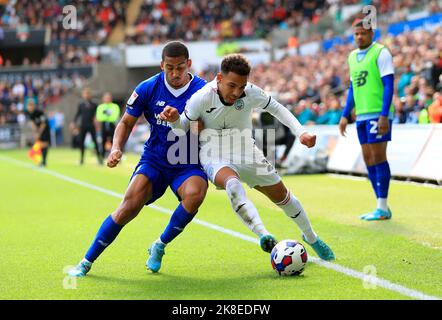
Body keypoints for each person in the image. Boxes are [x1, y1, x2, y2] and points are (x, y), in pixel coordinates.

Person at [160, 53, 335, 261]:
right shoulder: (201, 97)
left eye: (241, 86)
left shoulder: (251, 92)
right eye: (232, 85)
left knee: (284, 197)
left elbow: (277, 108)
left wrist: (301, 132)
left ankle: (311, 237)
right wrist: (174, 120)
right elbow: (183, 127)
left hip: (247, 151)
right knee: (233, 185)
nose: (237, 92)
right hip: (213, 154)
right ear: (219, 78)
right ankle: (264, 235)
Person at [68, 41, 212, 277]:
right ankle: (86, 261)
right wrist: (115, 148)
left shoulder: (204, 91)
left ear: (189, 64)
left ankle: (160, 245)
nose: (175, 73)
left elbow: (209, 128)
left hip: (187, 160)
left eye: (180, 67)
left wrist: (181, 120)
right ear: (161, 65)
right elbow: (125, 122)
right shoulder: (148, 87)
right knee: (128, 207)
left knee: (195, 194)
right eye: (169, 68)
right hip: (155, 159)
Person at [338, 18, 395, 221]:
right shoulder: (352, 56)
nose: (359, 36)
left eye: (363, 33)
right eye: (356, 34)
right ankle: (380, 205)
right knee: (368, 159)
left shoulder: (381, 52)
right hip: (361, 115)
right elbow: (353, 88)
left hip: (377, 114)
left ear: (372, 34)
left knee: (379, 158)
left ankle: (383, 206)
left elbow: (389, 85)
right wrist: (345, 114)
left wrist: (384, 114)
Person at [70, 87, 102, 165]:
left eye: (87, 93)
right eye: (85, 94)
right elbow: (78, 114)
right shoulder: (81, 104)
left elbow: (97, 115)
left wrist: (97, 122)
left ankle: (99, 159)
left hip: (91, 125)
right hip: (83, 125)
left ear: (90, 95)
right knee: (81, 142)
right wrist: (73, 122)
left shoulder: (94, 104)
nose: (86, 95)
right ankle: (81, 159)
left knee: (95, 141)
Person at [96, 92, 120, 158]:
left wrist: (106, 115)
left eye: (108, 98)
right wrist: (108, 115)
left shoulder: (115, 106)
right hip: (103, 125)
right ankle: (102, 156)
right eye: (106, 98)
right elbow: (99, 117)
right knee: (103, 141)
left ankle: (114, 155)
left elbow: (115, 116)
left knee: (114, 141)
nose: (107, 99)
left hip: (112, 125)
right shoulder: (100, 107)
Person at [26, 100, 50, 166]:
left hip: (45, 130)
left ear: (33, 106)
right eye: (28, 106)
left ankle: (43, 161)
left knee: (44, 144)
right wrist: (35, 132)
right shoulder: (30, 114)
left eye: (30, 106)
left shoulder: (39, 112)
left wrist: (39, 132)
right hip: (39, 130)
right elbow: (32, 124)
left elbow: (43, 123)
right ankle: (41, 161)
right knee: (40, 145)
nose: (28, 108)